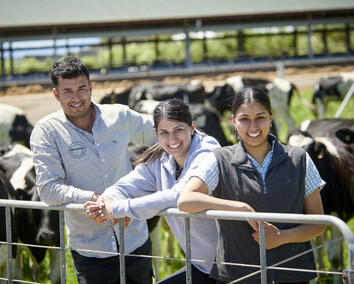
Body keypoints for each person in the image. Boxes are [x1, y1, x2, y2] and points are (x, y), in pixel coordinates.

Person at [177, 86, 327, 283]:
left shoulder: (299, 159)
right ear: (233, 121)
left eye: (260, 117)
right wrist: (240, 208)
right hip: (238, 276)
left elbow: (319, 223)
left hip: (292, 275)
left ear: (271, 117)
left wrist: (281, 236)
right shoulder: (220, 159)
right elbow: (186, 201)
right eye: (244, 119)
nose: (253, 127)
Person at [30, 56, 157, 284]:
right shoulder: (46, 131)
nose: (76, 98)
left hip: (136, 240)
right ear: (56, 94)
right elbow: (49, 189)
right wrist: (95, 200)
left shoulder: (120, 116)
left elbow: (163, 136)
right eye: (67, 91)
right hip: (91, 249)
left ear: (91, 87)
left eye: (81, 89)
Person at [84, 98, 220, 284]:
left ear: (192, 127)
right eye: (164, 132)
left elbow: (179, 195)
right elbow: (127, 185)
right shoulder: (162, 157)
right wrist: (107, 200)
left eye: (178, 130)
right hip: (202, 264)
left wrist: (118, 209)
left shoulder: (208, 152)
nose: (172, 140)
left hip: (233, 264)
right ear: (156, 133)